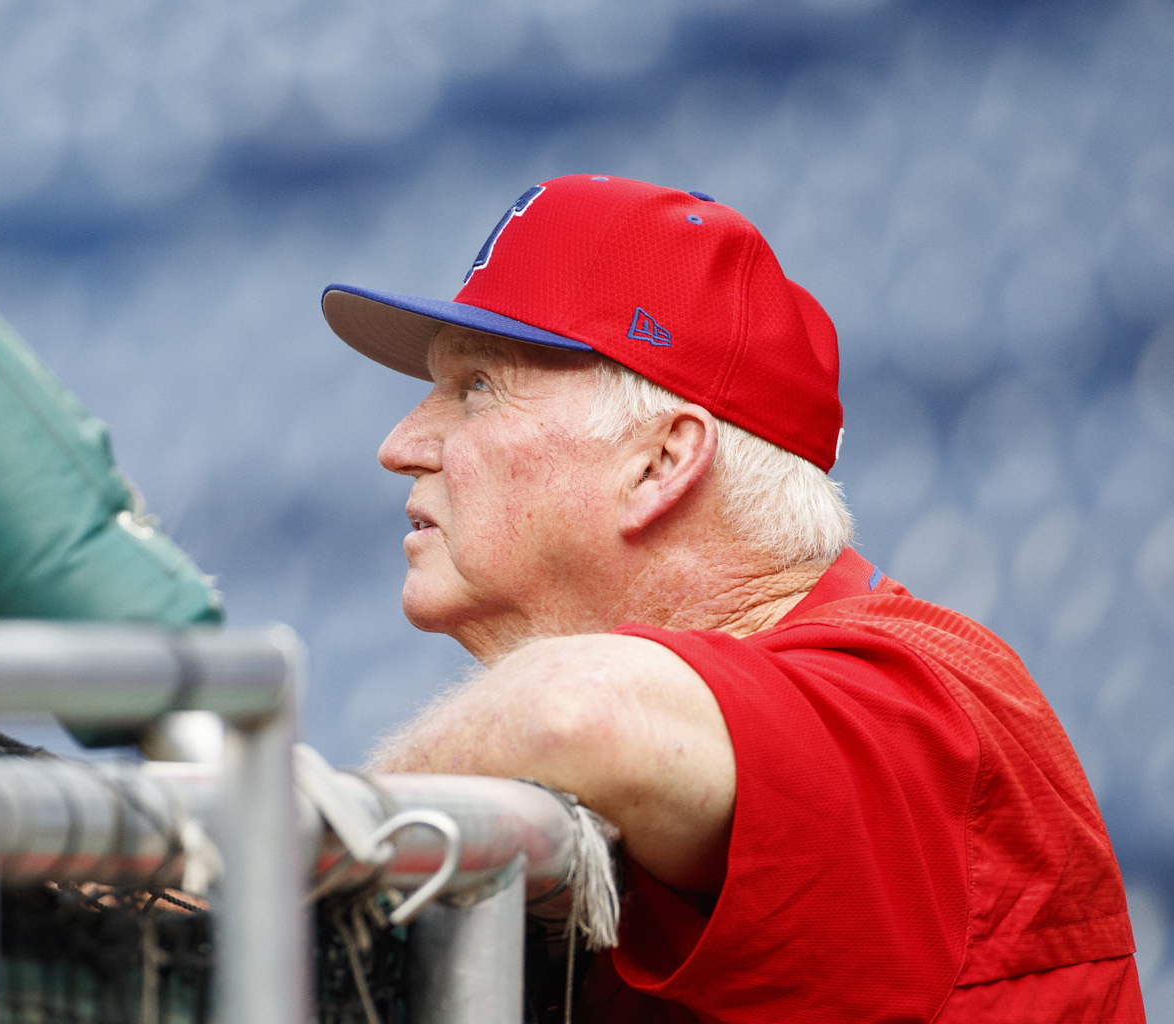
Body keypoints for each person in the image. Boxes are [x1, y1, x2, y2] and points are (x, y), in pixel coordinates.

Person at [320, 175, 1143, 1022]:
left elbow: (572, 714)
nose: (401, 443)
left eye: (477, 387)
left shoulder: (926, 698)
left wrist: (284, 865)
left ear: (662, 463)